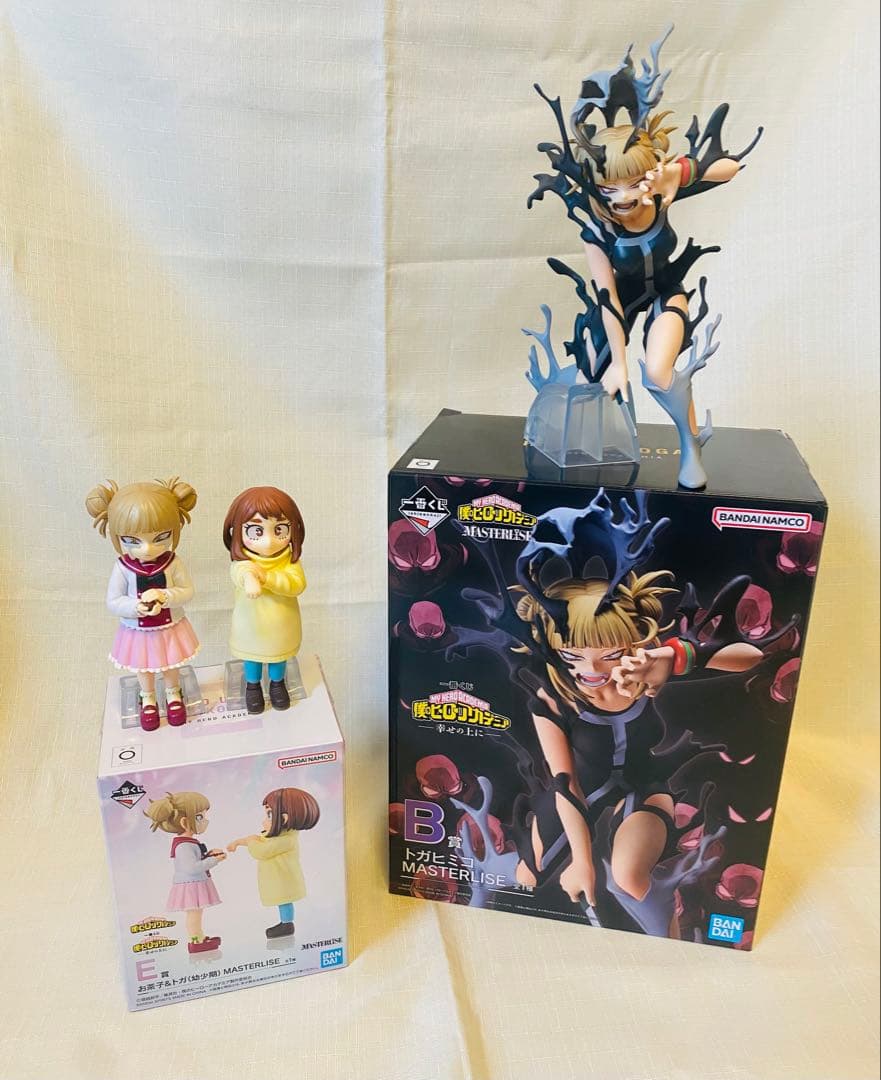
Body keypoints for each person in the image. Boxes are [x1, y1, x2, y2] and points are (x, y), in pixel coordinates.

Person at [86, 477, 199, 730]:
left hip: (169, 627)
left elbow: (187, 591)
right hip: (138, 631)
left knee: (171, 662)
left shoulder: (173, 563)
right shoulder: (122, 567)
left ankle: (173, 693)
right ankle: (147, 697)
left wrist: (165, 596)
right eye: (133, 540)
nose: (147, 549)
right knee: (143, 664)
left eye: (160, 537)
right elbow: (113, 601)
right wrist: (136, 607)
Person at [222, 486, 306, 713]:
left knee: (279, 656)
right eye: (256, 531)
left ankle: (277, 685)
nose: (269, 541)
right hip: (251, 625)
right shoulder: (243, 563)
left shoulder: (289, 561)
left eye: (279, 530)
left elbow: (297, 584)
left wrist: (267, 578)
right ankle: (253, 687)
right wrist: (250, 577)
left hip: (282, 624)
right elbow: (241, 573)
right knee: (252, 658)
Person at [227, 787, 320, 939]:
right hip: (278, 879)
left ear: (284, 819)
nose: (264, 821)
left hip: (284, 880)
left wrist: (250, 841)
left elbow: (261, 851)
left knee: (284, 901)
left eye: (270, 815)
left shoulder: (287, 840)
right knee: (282, 901)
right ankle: (285, 923)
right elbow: (259, 840)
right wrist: (239, 842)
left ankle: (287, 925)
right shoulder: (278, 836)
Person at [144, 791, 225, 954]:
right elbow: (191, 868)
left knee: (196, 913)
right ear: (185, 822)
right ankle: (196, 942)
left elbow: (194, 862)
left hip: (194, 884)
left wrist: (209, 856)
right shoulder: (184, 846)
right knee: (194, 914)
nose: (205, 821)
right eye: (200, 817)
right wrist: (213, 860)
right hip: (191, 886)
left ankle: (199, 937)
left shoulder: (187, 843)